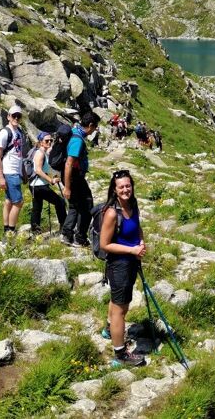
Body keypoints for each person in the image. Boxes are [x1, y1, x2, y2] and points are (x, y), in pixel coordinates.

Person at [100, 169, 146, 367]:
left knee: (117, 301)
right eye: (121, 187)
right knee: (121, 309)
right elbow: (105, 244)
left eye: (128, 186)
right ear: (114, 190)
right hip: (119, 265)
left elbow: (136, 226)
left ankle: (109, 329)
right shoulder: (112, 213)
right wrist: (132, 250)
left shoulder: (133, 204)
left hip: (131, 260)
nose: (126, 189)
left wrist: (141, 242)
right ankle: (120, 354)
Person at [61, 112, 100, 247]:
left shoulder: (74, 131)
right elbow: (69, 163)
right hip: (74, 177)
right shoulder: (77, 140)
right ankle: (80, 237)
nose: (94, 130)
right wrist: (67, 186)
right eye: (95, 127)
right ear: (90, 125)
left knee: (74, 205)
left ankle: (66, 235)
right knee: (87, 205)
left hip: (72, 176)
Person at [0, 105, 26, 242]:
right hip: (9, 172)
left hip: (16, 172)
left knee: (8, 201)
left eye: (19, 116)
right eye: (14, 116)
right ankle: (10, 234)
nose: (16, 118)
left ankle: (6, 231)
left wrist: (23, 172)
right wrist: (1, 177)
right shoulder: (4, 132)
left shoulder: (19, 132)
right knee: (18, 202)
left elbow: (20, 155)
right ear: (8, 116)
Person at [29, 132, 66, 235]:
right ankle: (64, 227)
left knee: (37, 208)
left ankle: (35, 232)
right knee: (60, 202)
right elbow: (38, 170)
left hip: (35, 185)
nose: (49, 142)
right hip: (40, 185)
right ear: (41, 142)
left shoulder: (43, 152)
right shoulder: (40, 153)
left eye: (51, 140)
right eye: (46, 141)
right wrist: (51, 180)